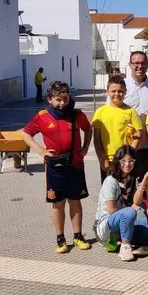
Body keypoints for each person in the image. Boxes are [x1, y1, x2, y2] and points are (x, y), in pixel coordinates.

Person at [21, 81, 92, 253]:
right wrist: (40, 150)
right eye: (58, 99)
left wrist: (86, 147)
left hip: (75, 165)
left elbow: (88, 129)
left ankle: (78, 236)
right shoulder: (43, 116)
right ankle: (60, 239)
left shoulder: (77, 115)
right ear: (50, 99)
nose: (62, 103)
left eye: (65, 99)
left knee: (75, 201)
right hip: (55, 167)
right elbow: (25, 133)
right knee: (58, 203)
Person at [93, 145, 148, 261]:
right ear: (117, 162)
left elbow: (137, 201)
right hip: (107, 224)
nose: (127, 164)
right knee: (131, 212)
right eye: (123, 161)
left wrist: (144, 181)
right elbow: (111, 210)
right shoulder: (110, 181)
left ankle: (127, 237)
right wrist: (131, 214)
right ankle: (125, 246)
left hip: (123, 218)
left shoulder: (131, 178)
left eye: (131, 161)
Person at [92, 75, 142, 183]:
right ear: (107, 92)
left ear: (125, 92)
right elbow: (96, 139)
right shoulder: (100, 112)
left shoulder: (131, 112)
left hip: (126, 163)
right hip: (108, 161)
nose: (117, 94)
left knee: (127, 195)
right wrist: (102, 158)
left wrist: (128, 156)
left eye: (120, 91)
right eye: (113, 91)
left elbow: (138, 135)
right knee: (109, 194)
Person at [123, 51, 148, 179]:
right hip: (128, 145)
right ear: (130, 65)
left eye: (143, 63)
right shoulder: (122, 86)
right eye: (136, 63)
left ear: (147, 65)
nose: (139, 66)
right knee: (128, 184)